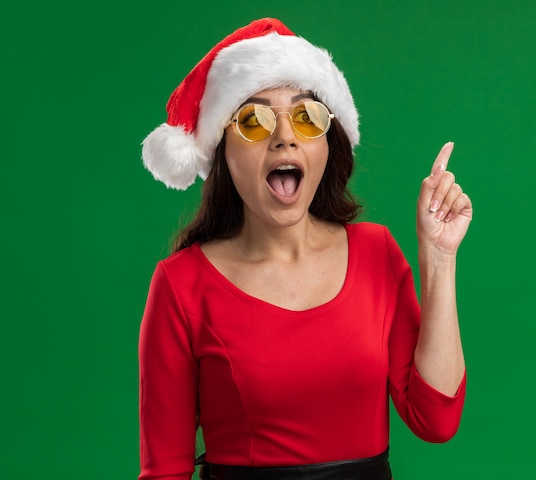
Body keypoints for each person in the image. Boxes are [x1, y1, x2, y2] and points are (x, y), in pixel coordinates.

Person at [138, 18, 472, 480]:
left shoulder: (377, 253)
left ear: (327, 145)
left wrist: (439, 256)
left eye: (306, 116)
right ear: (222, 150)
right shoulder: (181, 285)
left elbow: (436, 419)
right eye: (254, 120)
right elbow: (164, 471)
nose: (284, 136)